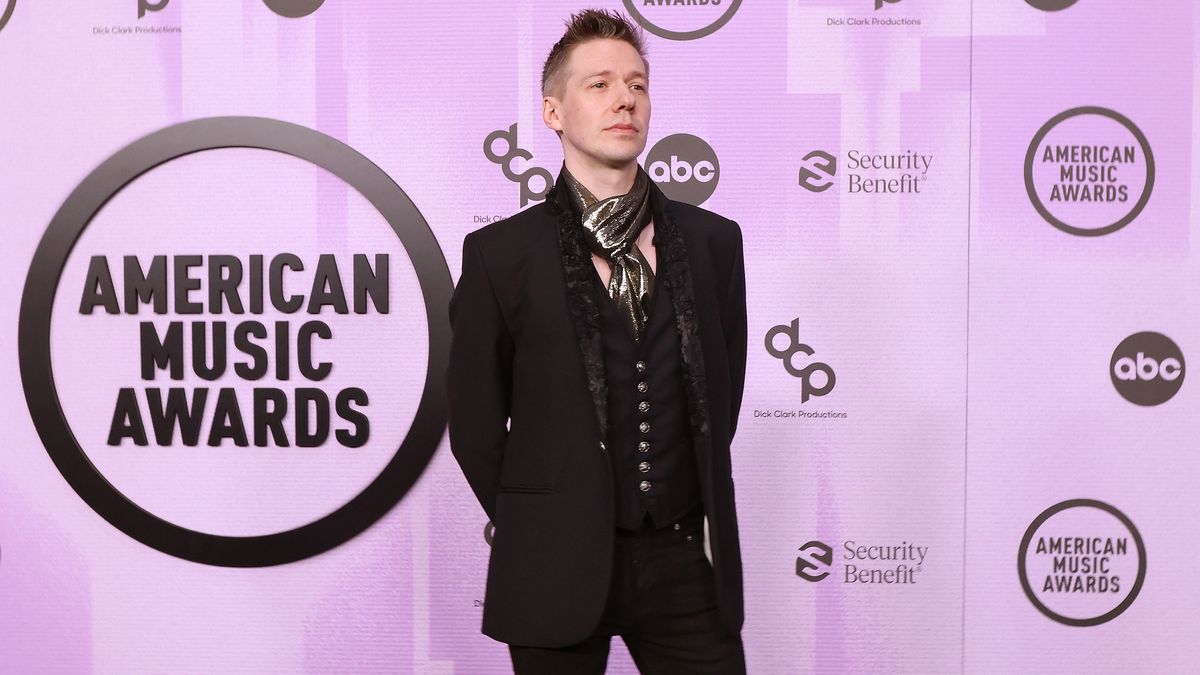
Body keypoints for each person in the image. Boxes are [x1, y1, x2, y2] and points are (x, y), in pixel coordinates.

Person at [447, 8, 748, 673]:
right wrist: (543, 514)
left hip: (683, 564)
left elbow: (719, 401)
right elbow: (473, 424)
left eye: (637, 84)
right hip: (554, 561)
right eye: (600, 84)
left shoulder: (713, 244)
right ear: (553, 112)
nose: (625, 99)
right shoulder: (500, 255)